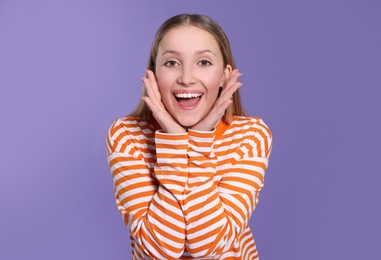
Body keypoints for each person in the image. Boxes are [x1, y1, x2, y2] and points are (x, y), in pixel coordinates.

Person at [106, 13, 272, 260]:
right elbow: (161, 250)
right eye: (172, 63)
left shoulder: (251, 136)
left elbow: (208, 247)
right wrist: (173, 138)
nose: (186, 79)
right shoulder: (126, 136)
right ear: (153, 74)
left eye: (203, 62)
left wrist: (199, 140)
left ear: (224, 76)